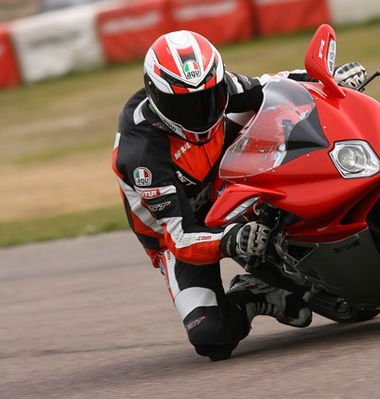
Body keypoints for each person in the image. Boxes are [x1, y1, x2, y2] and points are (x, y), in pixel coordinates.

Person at [112, 30, 367, 360]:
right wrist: (230, 239)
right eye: (184, 105)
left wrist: (326, 83)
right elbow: (180, 236)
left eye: (209, 97)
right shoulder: (141, 153)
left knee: (278, 122)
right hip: (180, 235)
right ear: (155, 97)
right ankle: (254, 294)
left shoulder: (222, 88)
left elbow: (272, 86)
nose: (200, 112)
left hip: (229, 189)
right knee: (210, 336)